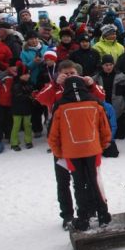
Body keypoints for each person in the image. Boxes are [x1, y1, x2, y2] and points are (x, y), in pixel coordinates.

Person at [34, 60, 106, 230]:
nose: (68, 76)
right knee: (63, 180)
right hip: (61, 143)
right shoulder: (54, 88)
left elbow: (101, 98)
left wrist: (91, 84)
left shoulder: (84, 87)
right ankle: (67, 215)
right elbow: (40, 98)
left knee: (87, 179)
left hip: (84, 142)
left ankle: (89, 211)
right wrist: (54, 84)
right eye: (65, 73)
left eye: (72, 73)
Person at [47, 75, 112, 231]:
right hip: (93, 149)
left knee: (78, 184)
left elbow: (53, 135)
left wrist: (59, 152)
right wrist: (102, 145)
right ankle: (103, 214)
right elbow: (105, 128)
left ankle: (83, 219)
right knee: (95, 181)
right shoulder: (95, 103)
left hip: (71, 152)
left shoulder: (61, 106)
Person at [9, 62, 34, 151]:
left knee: (28, 125)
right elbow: (18, 96)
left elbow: (31, 91)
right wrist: (30, 96)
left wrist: (33, 95)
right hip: (17, 109)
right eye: (25, 74)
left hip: (27, 108)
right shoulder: (16, 84)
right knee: (16, 126)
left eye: (28, 74)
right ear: (20, 75)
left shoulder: (29, 83)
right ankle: (14, 142)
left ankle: (28, 141)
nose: (28, 76)